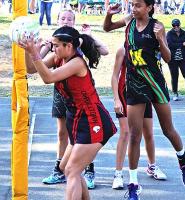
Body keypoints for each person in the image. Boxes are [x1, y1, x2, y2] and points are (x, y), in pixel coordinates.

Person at [103, 0, 185, 199]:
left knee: (168, 129)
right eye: (132, 5)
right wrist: (109, 14)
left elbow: (168, 58)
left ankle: (183, 158)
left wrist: (161, 39)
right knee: (135, 135)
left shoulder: (157, 26)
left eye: (138, 5)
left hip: (155, 83)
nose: (133, 9)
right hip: (135, 84)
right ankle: (134, 183)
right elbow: (107, 28)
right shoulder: (129, 21)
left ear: (149, 7)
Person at [19, 25, 117, 200]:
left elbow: (48, 78)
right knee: (67, 168)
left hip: (93, 121)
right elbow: (31, 69)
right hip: (78, 121)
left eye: (56, 45)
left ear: (69, 46)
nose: (53, 48)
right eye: (52, 45)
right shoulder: (58, 57)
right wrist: (29, 49)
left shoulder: (77, 63)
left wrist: (35, 54)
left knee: (72, 170)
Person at [40, 9, 109, 189]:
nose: (65, 21)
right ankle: (63, 169)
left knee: (72, 169)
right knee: (67, 164)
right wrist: (37, 47)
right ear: (56, 20)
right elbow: (34, 67)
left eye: (69, 18)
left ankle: (88, 169)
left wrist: (91, 36)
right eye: (62, 18)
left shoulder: (75, 53)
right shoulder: (57, 50)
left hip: (89, 115)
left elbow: (46, 76)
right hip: (72, 107)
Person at [111, 46, 166, 190]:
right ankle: (118, 174)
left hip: (143, 93)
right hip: (126, 95)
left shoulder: (148, 47)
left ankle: (152, 166)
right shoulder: (122, 50)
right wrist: (116, 99)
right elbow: (114, 76)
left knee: (148, 132)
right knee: (125, 133)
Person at [167, 19, 185, 101]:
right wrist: (181, 44)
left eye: (177, 25)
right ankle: (175, 93)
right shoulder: (169, 34)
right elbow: (169, 44)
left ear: (180, 25)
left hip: (183, 59)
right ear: (172, 26)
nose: (176, 27)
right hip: (173, 59)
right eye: (174, 25)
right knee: (174, 76)